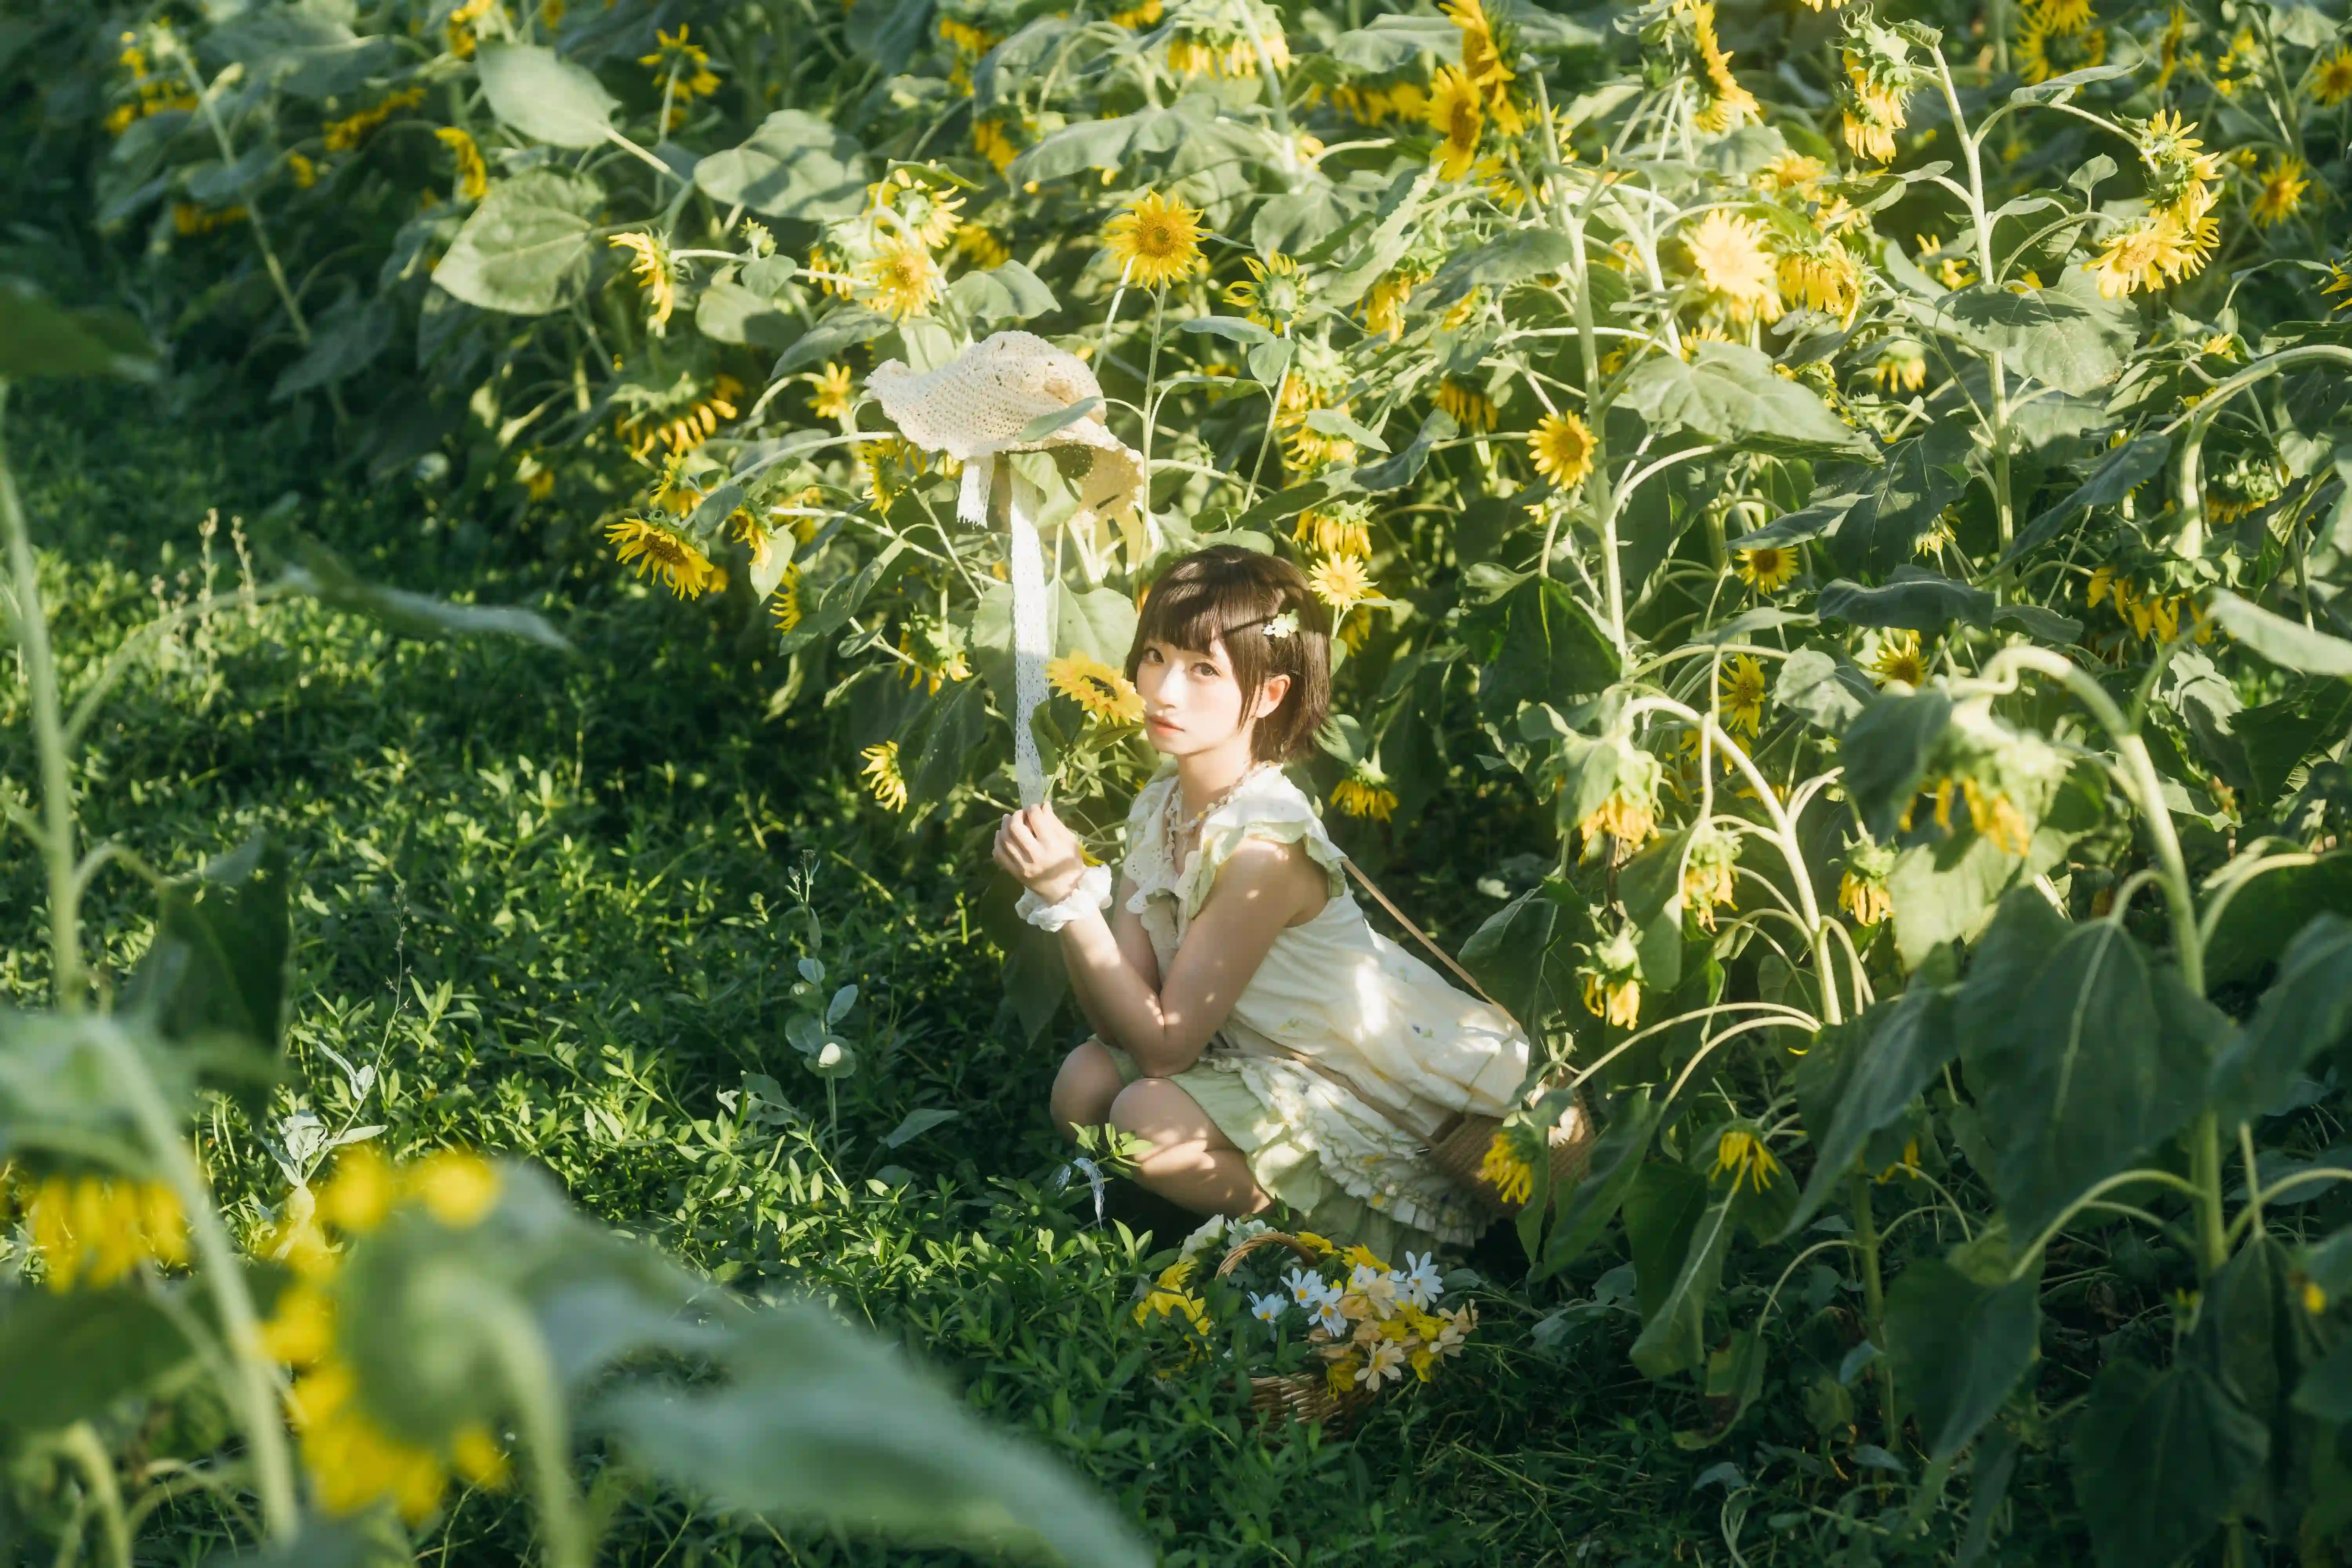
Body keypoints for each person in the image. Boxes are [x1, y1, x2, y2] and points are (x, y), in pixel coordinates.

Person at [992, 545, 1534, 1259]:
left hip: (1359, 1096)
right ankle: (1203, 1231)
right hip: (1252, 1066)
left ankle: (1311, 1252)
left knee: (1144, 1117)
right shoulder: (1161, 806)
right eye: (1155, 656)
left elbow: (1164, 1049)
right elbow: (1117, 1023)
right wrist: (1061, 899)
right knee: (1085, 1081)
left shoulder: (1264, 849)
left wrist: (1070, 896)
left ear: (1271, 695)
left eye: (1204, 669)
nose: (1164, 691)